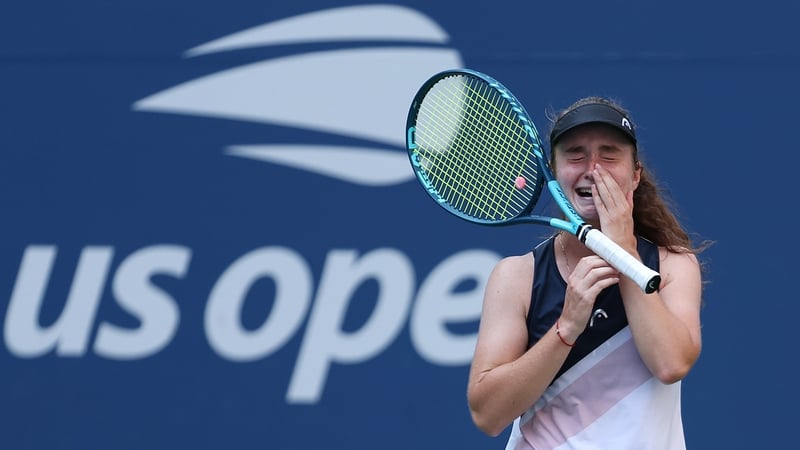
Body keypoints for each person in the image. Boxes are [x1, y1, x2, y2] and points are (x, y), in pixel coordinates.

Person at [466, 96, 707, 450]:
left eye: (609, 154)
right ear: (553, 171)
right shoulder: (517, 277)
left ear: (635, 174)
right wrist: (566, 327)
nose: (593, 168)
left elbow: (671, 364)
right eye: (575, 154)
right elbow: (488, 415)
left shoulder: (673, 266)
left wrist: (625, 254)